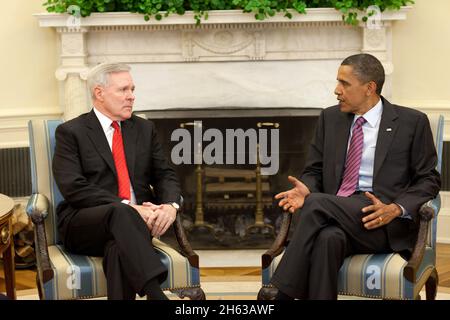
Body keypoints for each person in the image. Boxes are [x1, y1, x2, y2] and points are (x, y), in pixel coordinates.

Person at [271, 53, 441, 300]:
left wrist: (395, 208)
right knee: (328, 239)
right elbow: (314, 170)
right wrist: (306, 188)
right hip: (334, 217)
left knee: (317, 203)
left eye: (344, 83)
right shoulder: (330, 118)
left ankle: (279, 293)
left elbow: (429, 179)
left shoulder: (411, 122)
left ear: (369, 88)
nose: (336, 90)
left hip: (380, 222)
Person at [52, 63, 181, 300]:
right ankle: (156, 294)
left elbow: (165, 174)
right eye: (123, 90)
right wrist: (130, 207)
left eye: (132, 89)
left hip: (135, 226)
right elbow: (73, 188)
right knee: (121, 212)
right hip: (84, 224)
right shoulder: (71, 132)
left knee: (117, 249)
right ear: (99, 93)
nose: (131, 96)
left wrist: (170, 207)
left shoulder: (144, 129)